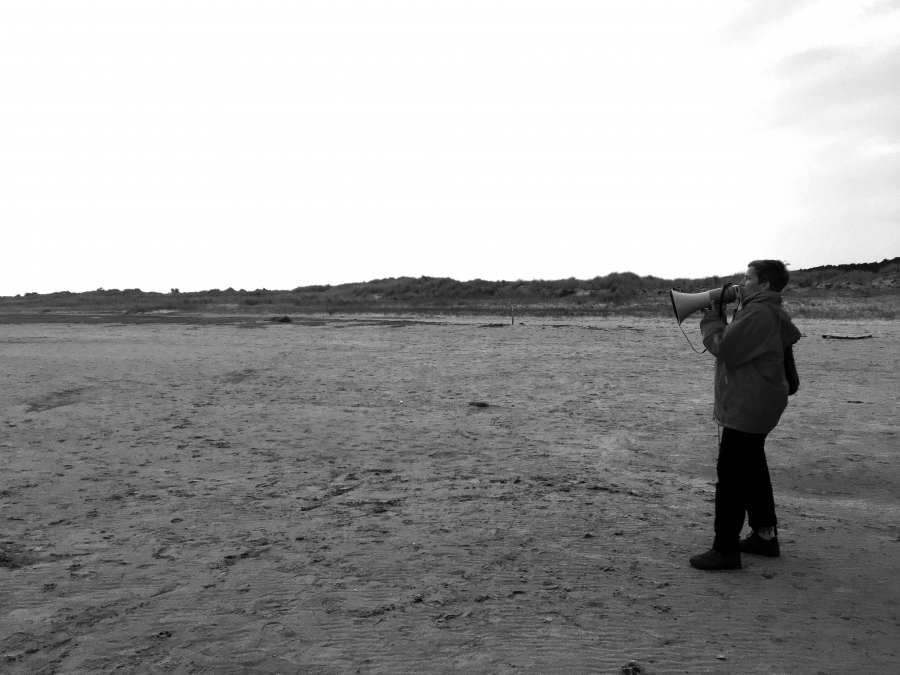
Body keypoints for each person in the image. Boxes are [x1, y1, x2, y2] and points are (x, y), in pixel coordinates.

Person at [689, 260, 802, 571]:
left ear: (764, 285)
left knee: (731, 476)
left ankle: (725, 549)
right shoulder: (764, 308)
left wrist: (712, 318)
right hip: (759, 401)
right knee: (752, 468)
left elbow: (726, 347)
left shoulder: (759, 312)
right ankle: (765, 537)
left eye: (748, 277)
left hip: (750, 404)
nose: (741, 281)